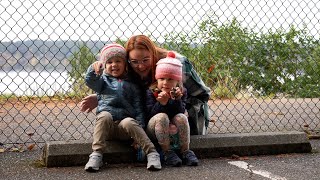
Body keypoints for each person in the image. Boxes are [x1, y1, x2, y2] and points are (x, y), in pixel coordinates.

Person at [80, 34, 211, 136]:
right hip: (155, 112)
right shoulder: (129, 70)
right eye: (134, 61)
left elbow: (202, 95)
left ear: (153, 55)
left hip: (186, 110)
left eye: (146, 60)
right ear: (128, 62)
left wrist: (178, 99)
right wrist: (100, 97)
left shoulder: (176, 63)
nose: (141, 66)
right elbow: (123, 89)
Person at [84, 43, 161, 172]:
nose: (114, 65)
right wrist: (93, 69)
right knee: (104, 115)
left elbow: (139, 110)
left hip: (125, 130)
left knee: (129, 121)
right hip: (107, 129)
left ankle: (152, 153)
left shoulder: (132, 85)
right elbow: (90, 80)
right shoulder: (102, 82)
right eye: (109, 62)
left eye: (118, 61)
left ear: (125, 64)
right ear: (104, 65)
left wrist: (139, 131)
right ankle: (96, 154)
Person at [145, 51, 199, 166]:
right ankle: (166, 152)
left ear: (177, 81)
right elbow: (149, 114)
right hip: (154, 128)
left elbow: (180, 111)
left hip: (173, 126)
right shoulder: (151, 92)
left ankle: (185, 151)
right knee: (162, 116)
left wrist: (176, 100)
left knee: (181, 117)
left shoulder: (181, 92)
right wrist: (161, 104)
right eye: (162, 79)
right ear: (157, 79)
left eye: (170, 79)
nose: (165, 83)